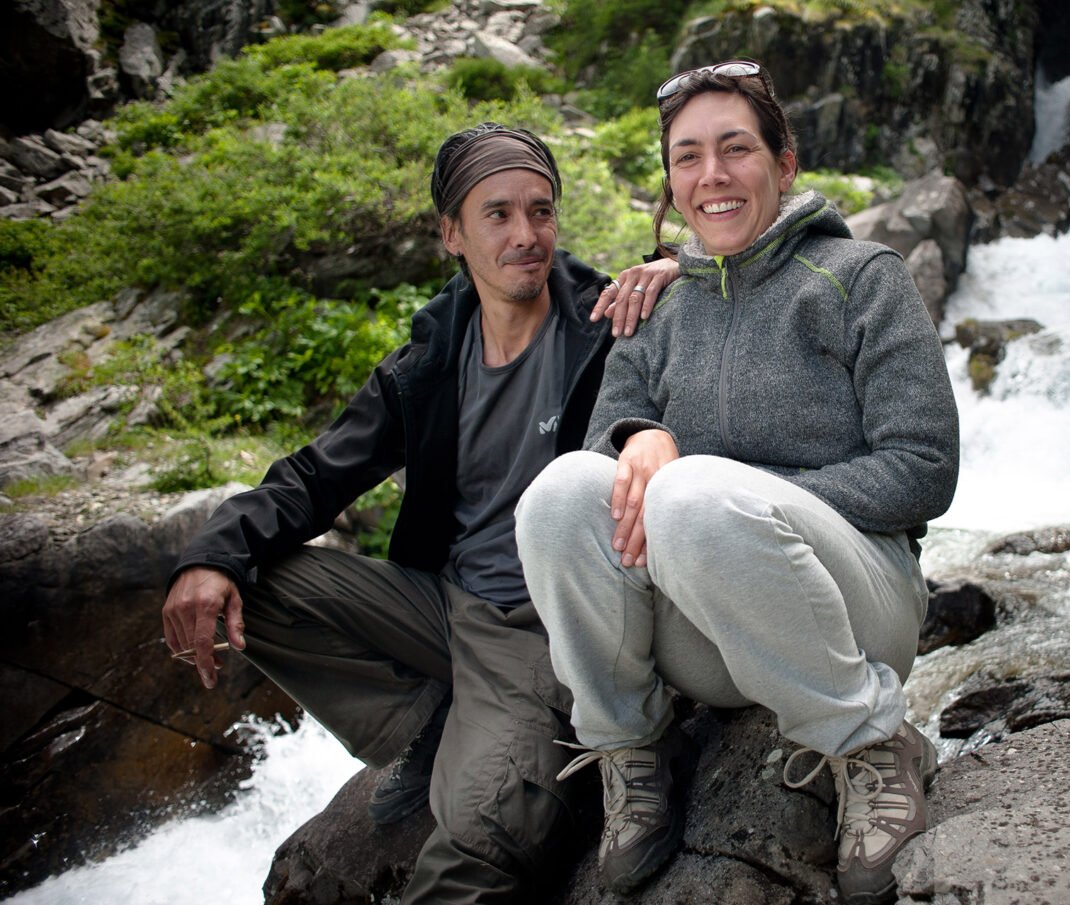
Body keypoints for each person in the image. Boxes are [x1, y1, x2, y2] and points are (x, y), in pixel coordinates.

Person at [161, 121, 677, 904]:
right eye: (497, 213)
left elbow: (723, 312)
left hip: (547, 626)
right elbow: (314, 477)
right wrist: (209, 555)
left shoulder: (608, 325)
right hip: (444, 605)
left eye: (541, 211)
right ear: (451, 234)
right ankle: (430, 721)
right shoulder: (431, 360)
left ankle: (496, 744)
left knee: (478, 843)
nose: (525, 235)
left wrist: (687, 266)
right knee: (254, 581)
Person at [513, 62, 960, 904]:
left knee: (689, 494)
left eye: (735, 149)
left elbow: (925, 467)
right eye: (687, 157)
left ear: (783, 162)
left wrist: (740, 496)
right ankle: (631, 750)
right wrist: (641, 435)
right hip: (709, 631)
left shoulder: (862, 279)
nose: (710, 176)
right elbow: (601, 444)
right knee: (559, 493)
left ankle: (870, 742)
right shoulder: (659, 301)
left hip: (853, 600)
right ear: (672, 180)